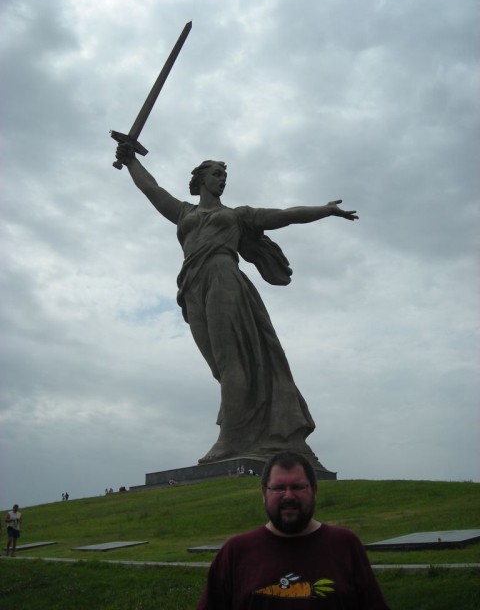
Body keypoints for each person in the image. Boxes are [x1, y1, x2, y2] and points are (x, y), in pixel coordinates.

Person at [115, 146, 358, 463]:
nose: (222, 180)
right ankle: (247, 430)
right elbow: (152, 188)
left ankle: (230, 440)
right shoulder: (184, 212)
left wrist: (325, 210)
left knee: (232, 362)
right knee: (220, 366)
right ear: (201, 178)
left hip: (224, 278)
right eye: (217, 174)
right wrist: (131, 160)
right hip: (191, 286)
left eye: (225, 175)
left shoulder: (237, 215)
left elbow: (284, 216)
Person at [196, 452, 389, 609]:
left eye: (297, 487)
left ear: (314, 490)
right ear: (264, 493)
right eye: (279, 488)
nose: (288, 496)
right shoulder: (236, 551)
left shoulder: (345, 545)